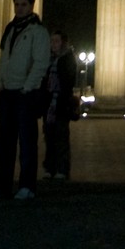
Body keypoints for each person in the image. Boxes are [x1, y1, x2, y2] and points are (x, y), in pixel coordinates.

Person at [0, 0, 49, 200]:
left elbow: (41, 62)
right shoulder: (10, 29)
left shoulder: (38, 31)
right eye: (17, 4)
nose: (19, 8)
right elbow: (3, 59)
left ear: (31, 6)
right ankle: (2, 185)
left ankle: (27, 186)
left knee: (27, 143)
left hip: (25, 94)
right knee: (4, 143)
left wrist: (28, 87)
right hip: (7, 92)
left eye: (23, 4)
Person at [43, 31, 77, 181]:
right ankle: (50, 168)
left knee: (61, 137)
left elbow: (69, 81)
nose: (53, 44)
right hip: (49, 104)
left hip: (61, 103)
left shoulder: (68, 59)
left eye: (56, 41)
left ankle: (62, 169)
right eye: (52, 41)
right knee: (49, 137)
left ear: (63, 43)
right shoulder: (48, 59)